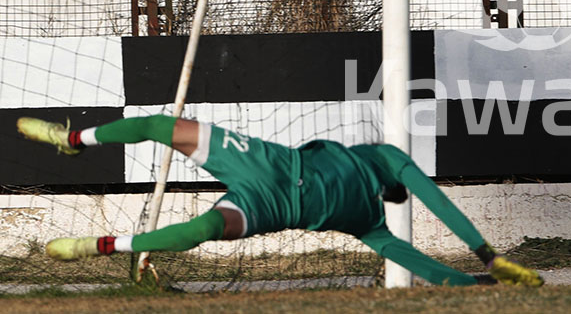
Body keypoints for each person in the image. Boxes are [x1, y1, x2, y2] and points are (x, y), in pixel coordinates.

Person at [15, 115, 543, 287]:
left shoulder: (376, 190)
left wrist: (484, 264)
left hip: (270, 179)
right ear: (391, 193)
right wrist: (481, 268)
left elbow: (427, 208)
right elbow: (425, 221)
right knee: (167, 139)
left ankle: (101, 221)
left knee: (198, 216)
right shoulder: (377, 198)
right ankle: (83, 164)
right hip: (273, 181)